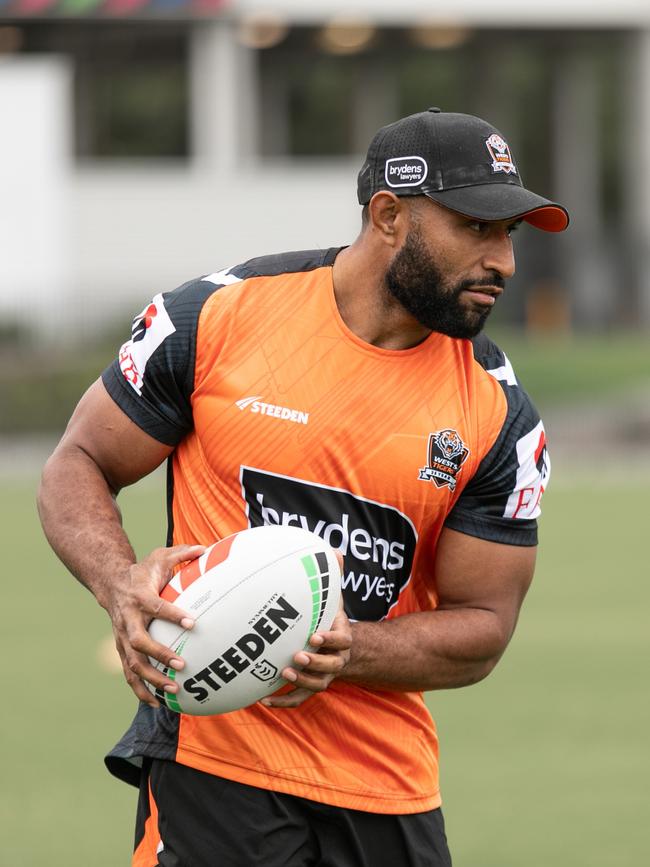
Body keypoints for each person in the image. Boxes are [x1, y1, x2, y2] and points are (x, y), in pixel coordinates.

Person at [38, 107, 569, 867]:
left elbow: (483, 625)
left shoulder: (500, 414)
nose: (504, 262)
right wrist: (119, 583)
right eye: (477, 229)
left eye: (509, 234)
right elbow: (77, 461)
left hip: (387, 790)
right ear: (389, 215)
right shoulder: (217, 316)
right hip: (215, 770)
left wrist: (349, 649)